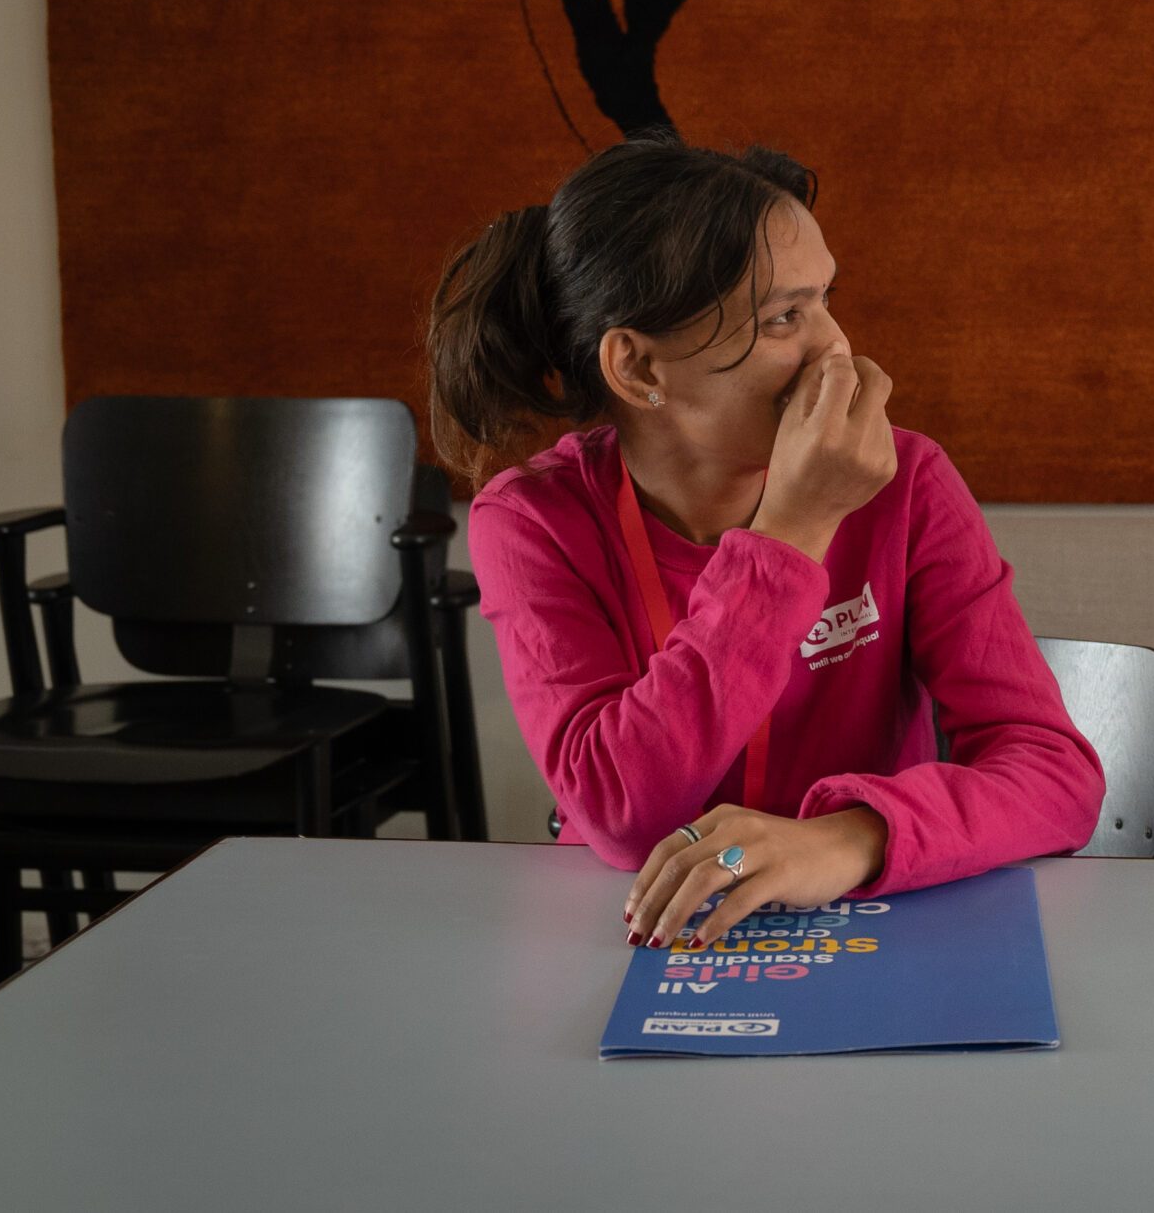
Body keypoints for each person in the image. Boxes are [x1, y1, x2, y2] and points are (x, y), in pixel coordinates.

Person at [427, 137, 1104, 952]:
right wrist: (794, 530)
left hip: (880, 913)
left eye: (824, 299)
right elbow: (618, 808)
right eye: (784, 316)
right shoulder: (533, 521)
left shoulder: (909, 481)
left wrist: (846, 839)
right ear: (637, 367)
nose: (835, 346)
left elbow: (1055, 773)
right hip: (642, 932)